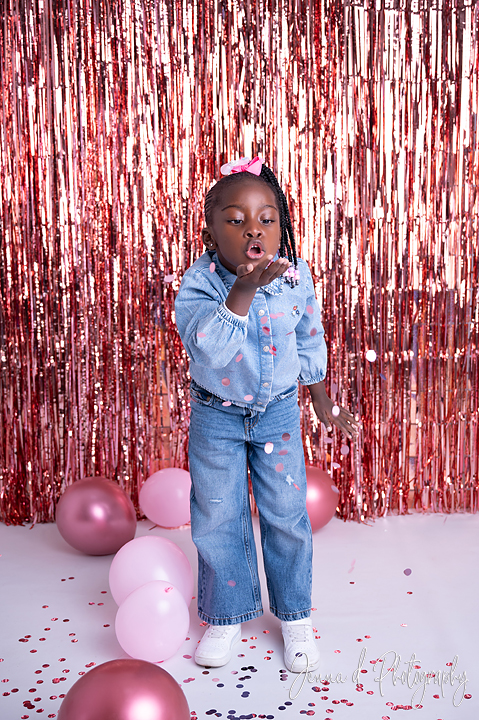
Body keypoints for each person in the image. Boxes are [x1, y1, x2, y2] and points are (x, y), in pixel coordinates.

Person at [174, 156, 358, 673]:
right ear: (210, 232)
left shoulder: (296, 280)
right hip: (218, 418)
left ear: (281, 227)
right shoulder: (200, 285)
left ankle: (295, 615)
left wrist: (321, 399)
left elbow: (308, 337)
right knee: (217, 516)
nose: (253, 228)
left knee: (286, 515)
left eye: (266, 218)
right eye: (235, 219)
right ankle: (226, 614)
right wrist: (245, 288)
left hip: (278, 415)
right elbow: (208, 350)